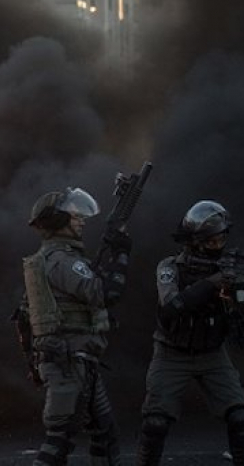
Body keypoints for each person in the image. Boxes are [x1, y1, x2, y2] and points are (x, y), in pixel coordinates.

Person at [14, 188, 132, 466]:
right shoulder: (62, 261)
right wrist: (122, 252)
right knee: (60, 440)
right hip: (70, 363)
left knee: (104, 434)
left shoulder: (49, 260)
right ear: (58, 222)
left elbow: (23, 317)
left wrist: (34, 363)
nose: (82, 221)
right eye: (75, 216)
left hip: (75, 360)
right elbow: (107, 293)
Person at [136, 200, 244, 465]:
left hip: (212, 354)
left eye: (221, 240)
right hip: (172, 353)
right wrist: (211, 284)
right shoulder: (171, 267)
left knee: (239, 417)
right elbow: (171, 307)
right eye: (212, 242)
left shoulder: (229, 269)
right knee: (155, 422)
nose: (219, 247)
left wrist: (237, 294)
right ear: (196, 242)